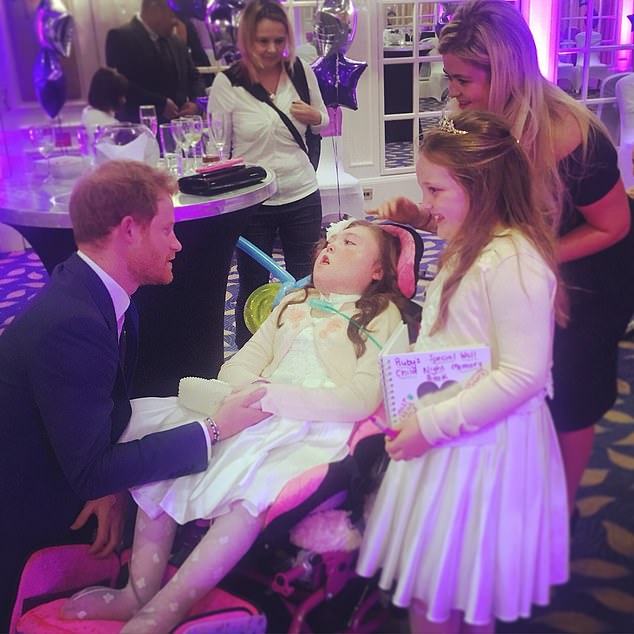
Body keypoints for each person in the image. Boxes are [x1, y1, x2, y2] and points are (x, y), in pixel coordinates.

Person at [62, 219, 412, 633]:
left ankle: (167, 608)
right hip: (257, 412)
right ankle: (138, 591)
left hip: (315, 427)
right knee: (171, 463)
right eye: (328, 241)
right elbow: (238, 364)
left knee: (250, 495)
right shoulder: (292, 303)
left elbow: (363, 397)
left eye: (348, 242)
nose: (330, 247)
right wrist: (253, 393)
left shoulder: (383, 315)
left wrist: (281, 399)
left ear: (379, 271)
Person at [372, 0, 634, 518]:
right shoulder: (478, 127)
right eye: (449, 78)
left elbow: (614, 224)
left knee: (569, 395)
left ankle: (559, 512)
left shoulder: (572, 136)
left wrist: (525, 254)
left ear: (507, 70)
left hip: (587, 276)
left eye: (463, 80)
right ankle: (519, 499)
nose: (453, 93)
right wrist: (424, 219)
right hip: (525, 264)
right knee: (508, 378)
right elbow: (478, 214)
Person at [0, 160, 267, 631]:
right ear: (128, 230)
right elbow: (88, 471)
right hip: (26, 502)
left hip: (61, 461)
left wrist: (106, 484)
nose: (177, 244)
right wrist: (213, 426)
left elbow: (111, 408)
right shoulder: (73, 325)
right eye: (166, 229)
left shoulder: (100, 293)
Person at [357, 111, 569, 634]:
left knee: (447, 591)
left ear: (483, 187)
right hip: (460, 430)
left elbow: (522, 375)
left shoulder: (513, 262)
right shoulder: (479, 241)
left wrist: (431, 426)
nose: (427, 204)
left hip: (484, 446)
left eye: (434, 190)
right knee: (448, 585)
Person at [208, 0, 329, 347]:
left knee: (308, 280)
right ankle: (251, 356)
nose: (272, 49)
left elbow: (324, 120)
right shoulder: (227, 83)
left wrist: (315, 117)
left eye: (279, 40)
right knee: (253, 286)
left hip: (302, 193)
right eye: (263, 41)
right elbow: (218, 149)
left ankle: (305, 349)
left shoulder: (301, 72)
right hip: (252, 203)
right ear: (247, 39)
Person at [106, 0, 206, 124]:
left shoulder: (177, 43)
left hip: (179, 132)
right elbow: (121, 85)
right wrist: (160, 104)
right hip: (139, 132)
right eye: (173, 15)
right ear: (155, 8)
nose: (176, 22)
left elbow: (195, 78)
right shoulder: (120, 37)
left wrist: (196, 104)